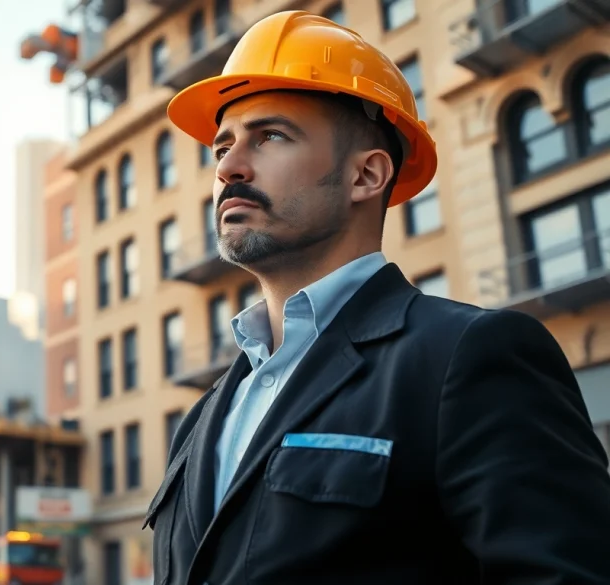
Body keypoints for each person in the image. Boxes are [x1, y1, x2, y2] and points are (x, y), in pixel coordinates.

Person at [142, 10, 610, 585]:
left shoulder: (469, 357)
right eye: (221, 148)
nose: (230, 168)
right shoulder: (204, 416)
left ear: (366, 175)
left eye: (270, 136)